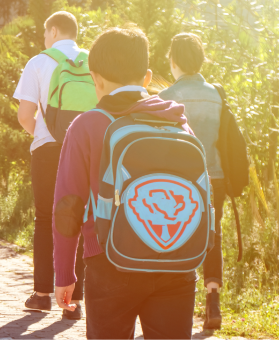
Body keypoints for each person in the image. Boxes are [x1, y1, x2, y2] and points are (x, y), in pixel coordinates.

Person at [53, 26, 197, 339]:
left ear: (96, 79)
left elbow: (68, 206)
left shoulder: (88, 124)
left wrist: (64, 273)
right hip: (176, 260)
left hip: (111, 261)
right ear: (147, 78)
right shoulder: (178, 121)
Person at [13, 11, 87, 318]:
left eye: (46, 33)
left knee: (45, 218)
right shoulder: (90, 60)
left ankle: (42, 294)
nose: (45, 39)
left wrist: (43, 134)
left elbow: (24, 115)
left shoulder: (39, 62)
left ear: (53, 31)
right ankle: (76, 299)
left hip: (48, 149)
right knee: (80, 218)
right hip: (85, 150)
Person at [158, 33, 224, 330]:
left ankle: (173, 302)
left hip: (179, 180)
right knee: (212, 234)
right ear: (200, 60)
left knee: (174, 235)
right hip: (215, 176)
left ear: (173, 60)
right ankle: (213, 301)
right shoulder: (216, 94)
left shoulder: (165, 97)